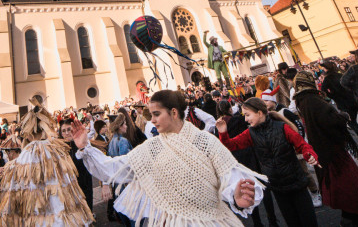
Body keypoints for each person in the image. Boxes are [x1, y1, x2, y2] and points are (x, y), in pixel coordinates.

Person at [73, 89, 264, 226]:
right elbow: (114, 168)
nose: (152, 120)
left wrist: (237, 196)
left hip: (211, 221)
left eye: (156, 114)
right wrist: (86, 148)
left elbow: (229, 174)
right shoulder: (152, 148)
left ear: (174, 112)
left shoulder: (204, 141)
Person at [293, 72, 358, 226]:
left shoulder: (304, 101)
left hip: (326, 149)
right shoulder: (312, 100)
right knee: (348, 185)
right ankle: (351, 218)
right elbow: (329, 122)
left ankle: (351, 216)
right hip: (331, 151)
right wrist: (342, 116)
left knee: (344, 186)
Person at [0, 97, 94, 226]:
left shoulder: (25, 156)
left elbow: (12, 194)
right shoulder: (57, 151)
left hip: (36, 217)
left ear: (28, 132)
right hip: (62, 216)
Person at [216, 97, 320, 227]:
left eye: (248, 115)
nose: (245, 119)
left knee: (309, 222)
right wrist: (223, 133)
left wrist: (309, 154)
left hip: (296, 183)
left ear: (259, 113)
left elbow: (302, 145)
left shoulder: (282, 127)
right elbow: (231, 145)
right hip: (278, 188)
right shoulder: (250, 133)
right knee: (292, 222)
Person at [320, 61, 358, 156]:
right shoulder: (339, 75)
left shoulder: (328, 79)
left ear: (326, 69)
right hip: (352, 101)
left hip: (344, 104)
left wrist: (333, 96)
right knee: (354, 123)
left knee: (353, 124)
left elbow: (323, 92)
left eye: (323, 68)